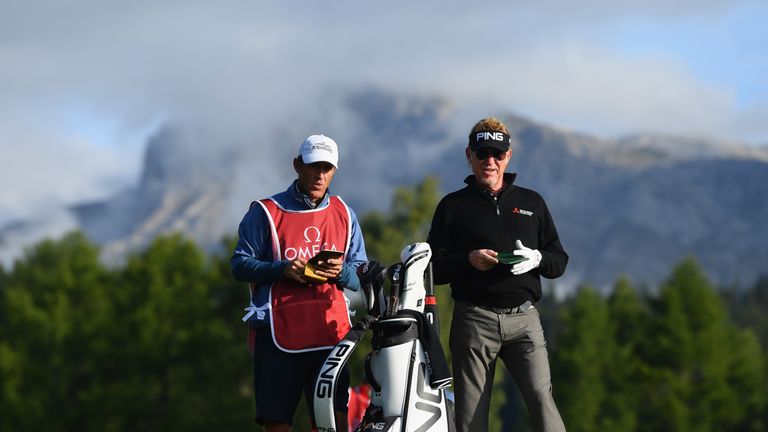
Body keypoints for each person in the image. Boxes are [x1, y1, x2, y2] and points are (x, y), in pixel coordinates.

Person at [427, 117, 568, 432]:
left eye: (497, 154)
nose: (490, 162)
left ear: (509, 156)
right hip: (474, 320)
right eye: (482, 154)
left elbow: (559, 261)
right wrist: (468, 261)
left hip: (524, 320)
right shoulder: (452, 206)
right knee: (471, 414)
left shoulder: (532, 202)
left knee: (542, 402)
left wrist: (537, 258)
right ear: (469, 155)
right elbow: (431, 269)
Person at [231, 134, 368, 432]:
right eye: (313, 166)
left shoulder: (345, 213)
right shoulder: (265, 212)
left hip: (330, 334)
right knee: (277, 423)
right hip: (279, 333)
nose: (320, 175)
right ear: (297, 165)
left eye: (327, 168)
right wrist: (282, 269)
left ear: (334, 170)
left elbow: (360, 277)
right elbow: (239, 265)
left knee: (334, 421)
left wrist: (341, 272)